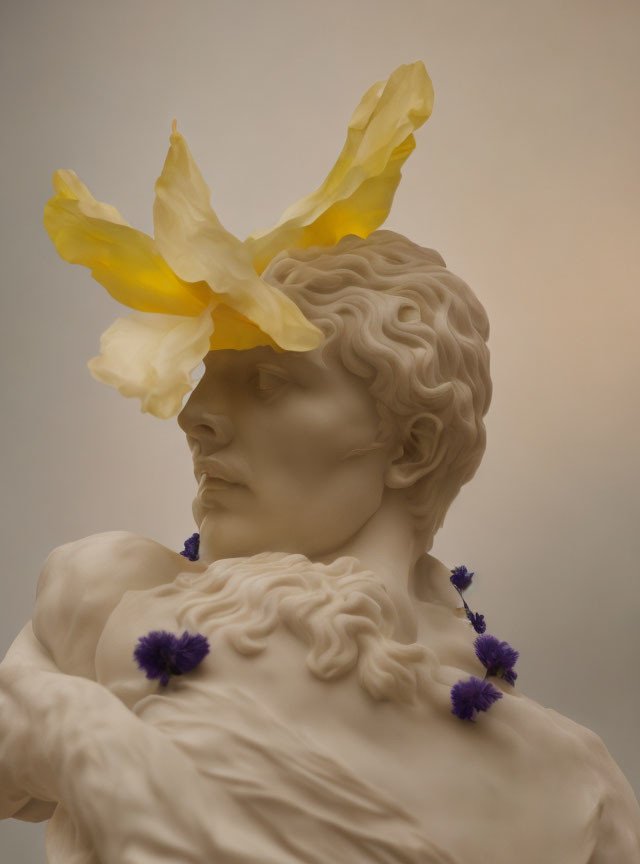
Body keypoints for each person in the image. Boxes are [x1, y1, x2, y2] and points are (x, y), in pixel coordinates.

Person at [1, 231, 639, 864]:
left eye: (269, 380)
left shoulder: (581, 786)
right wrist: (74, 731)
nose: (193, 415)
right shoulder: (107, 591)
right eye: (205, 377)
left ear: (412, 447)